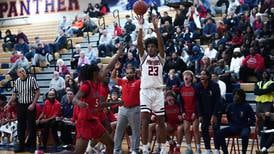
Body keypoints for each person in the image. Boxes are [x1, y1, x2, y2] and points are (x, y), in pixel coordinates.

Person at [72, 43, 125, 154]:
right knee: (78, 152)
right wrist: (80, 103)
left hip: (94, 121)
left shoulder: (98, 85)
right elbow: (74, 99)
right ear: (95, 74)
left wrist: (119, 53)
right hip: (84, 122)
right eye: (101, 72)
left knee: (110, 144)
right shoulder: (86, 85)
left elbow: (109, 67)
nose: (104, 73)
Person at [136, 15, 166, 153]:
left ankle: (163, 147)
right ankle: (145, 147)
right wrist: (140, 26)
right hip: (146, 91)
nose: (151, 49)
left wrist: (156, 28)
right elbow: (139, 44)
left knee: (160, 121)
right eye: (149, 47)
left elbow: (161, 43)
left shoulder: (161, 58)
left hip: (159, 92)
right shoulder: (144, 57)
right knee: (144, 120)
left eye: (153, 47)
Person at [5, 67, 40, 152]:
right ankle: (21, 146)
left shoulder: (32, 79)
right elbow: (14, 95)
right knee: (20, 126)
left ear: (25, 71)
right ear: (18, 74)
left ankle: (32, 145)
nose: (22, 72)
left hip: (30, 105)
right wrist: (8, 103)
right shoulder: (17, 81)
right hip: (20, 105)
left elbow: (38, 92)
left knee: (31, 126)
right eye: (20, 72)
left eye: (23, 71)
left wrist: (33, 104)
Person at [111, 64, 141, 154]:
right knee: (119, 129)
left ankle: (135, 150)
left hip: (134, 109)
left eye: (131, 73)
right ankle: (117, 150)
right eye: (127, 73)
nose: (129, 75)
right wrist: (115, 68)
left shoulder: (139, 82)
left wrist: (141, 72)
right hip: (123, 109)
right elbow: (113, 78)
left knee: (135, 130)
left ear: (134, 73)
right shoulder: (123, 81)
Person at [215, 89, 256, 154]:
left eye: (237, 95)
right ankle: (225, 152)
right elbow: (228, 117)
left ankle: (244, 152)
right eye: (234, 94)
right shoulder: (230, 106)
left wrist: (246, 124)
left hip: (244, 127)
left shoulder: (247, 106)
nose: (235, 96)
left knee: (244, 135)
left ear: (242, 96)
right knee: (219, 133)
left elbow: (253, 119)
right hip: (234, 127)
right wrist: (231, 124)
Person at [196, 70, 221, 154]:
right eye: (201, 74)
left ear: (208, 76)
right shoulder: (198, 86)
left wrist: (214, 115)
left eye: (204, 74)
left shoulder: (215, 86)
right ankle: (208, 149)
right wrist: (200, 115)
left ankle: (217, 149)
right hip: (204, 113)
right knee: (203, 128)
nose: (202, 76)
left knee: (215, 129)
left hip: (215, 111)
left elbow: (218, 101)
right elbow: (198, 102)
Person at [178, 70, 201, 154]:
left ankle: (198, 148)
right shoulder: (181, 87)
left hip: (195, 111)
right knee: (186, 128)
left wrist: (195, 112)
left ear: (191, 77)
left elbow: (198, 101)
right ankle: (189, 148)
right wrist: (182, 112)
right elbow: (180, 101)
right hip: (186, 111)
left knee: (195, 129)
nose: (186, 76)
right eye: (184, 75)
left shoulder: (195, 87)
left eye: (187, 75)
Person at [254, 71, 274, 135]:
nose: (264, 74)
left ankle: (268, 134)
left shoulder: (272, 83)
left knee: (268, 118)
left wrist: (260, 91)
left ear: (269, 75)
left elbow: (269, 90)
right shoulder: (258, 83)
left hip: (267, 103)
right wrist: (264, 91)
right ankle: (260, 133)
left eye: (266, 73)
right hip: (259, 103)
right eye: (263, 73)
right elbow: (255, 92)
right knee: (259, 119)